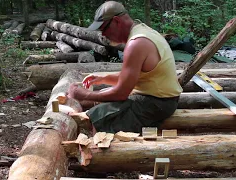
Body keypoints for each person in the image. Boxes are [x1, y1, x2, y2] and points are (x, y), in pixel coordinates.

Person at [67, 1, 183, 134]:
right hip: (159, 99)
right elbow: (135, 77)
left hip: (157, 103)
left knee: (100, 120)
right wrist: (103, 78)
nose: (103, 35)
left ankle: (108, 152)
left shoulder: (136, 43)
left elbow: (121, 93)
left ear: (116, 21)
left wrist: (84, 94)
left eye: (104, 29)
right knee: (101, 105)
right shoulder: (142, 31)